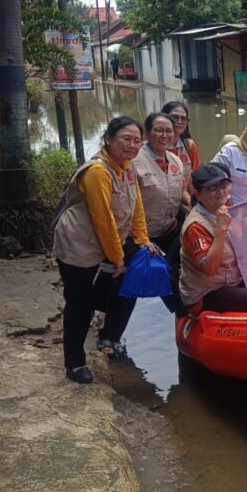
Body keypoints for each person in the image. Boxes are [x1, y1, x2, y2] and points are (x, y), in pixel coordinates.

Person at [52, 116, 158, 384]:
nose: (133, 145)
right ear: (108, 138)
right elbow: (103, 220)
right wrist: (117, 258)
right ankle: (74, 364)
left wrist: (143, 239)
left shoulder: (127, 167)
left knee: (123, 279)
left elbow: (136, 207)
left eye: (137, 140)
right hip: (79, 244)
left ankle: (105, 327)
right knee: (78, 303)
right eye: (126, 138)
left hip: (107, 242)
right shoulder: (98, 172)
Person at [179, 163, 247, 315]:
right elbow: (210, 268)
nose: (220, 191)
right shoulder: (195, 226)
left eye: (223, 184)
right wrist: (220, 231)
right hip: (207, 291)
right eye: (212, 188)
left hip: (231, 278)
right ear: (198, 194)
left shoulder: (224, 210)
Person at [133, 112, 186, 314]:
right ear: (147, 133)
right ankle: (109, 331)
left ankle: (182, 315)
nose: (164, 135)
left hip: (168, 230)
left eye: (169, 131)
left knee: (171, 273)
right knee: (129, 280)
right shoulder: (134, 161)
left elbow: (179, 193)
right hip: (141, 234)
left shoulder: (176, 161)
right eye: (158, 130)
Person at [162, 101, 200, 189]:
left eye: (183, 119)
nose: (179, 122)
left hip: (186, 199)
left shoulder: (189, 145)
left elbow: (196, 176)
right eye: (175, 117)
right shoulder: (154, 146)